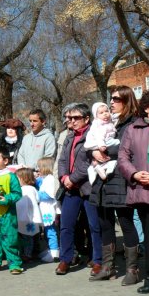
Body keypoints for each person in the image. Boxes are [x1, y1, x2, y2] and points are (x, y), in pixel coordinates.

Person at [89, 86, 140, 284]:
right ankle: (108, 266)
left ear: (127, 100)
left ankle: (132, 269)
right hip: (102, 181)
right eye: (111, 98)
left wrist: (103, 152)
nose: (111, 102)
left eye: (116, 99)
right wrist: (92, 151)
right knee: (104, 223)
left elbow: (128, 149)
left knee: (126, 223)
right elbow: (92, 142)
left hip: (120, 178)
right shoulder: (106, 121)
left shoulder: (133, 123)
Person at [118, 90, 149, 294]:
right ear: (146, 108)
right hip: (145, 190)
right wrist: (135, 175)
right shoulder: (133, 129)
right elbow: (123, 158)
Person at [55, 103, 102, 277]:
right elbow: (61, 160)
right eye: (70, 118)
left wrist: (72, 178)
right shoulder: (69, 137)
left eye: (76, 118)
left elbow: (89, 163)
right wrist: (63, 177)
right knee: (66, 225)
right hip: (70, 189)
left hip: (88, 187)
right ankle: (65, 259)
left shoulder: (93, 135)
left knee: (94, 226)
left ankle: (98, 260)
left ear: (86, 119)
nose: (72, 121)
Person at [84, 102, 120, 183]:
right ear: (96, 116)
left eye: (106, 111)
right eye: (101, 113)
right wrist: (101, 145)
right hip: (98, 143)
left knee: (105, 160)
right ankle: (96, 168)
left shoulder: (107, 121)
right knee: (117, 142)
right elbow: (99, 136)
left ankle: (99, 168)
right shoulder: (98, 124)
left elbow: (114, 117)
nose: (105, 114)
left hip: (104, 142)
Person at [36, 157, 60, 263]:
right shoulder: (45, 178)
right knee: (47, 231)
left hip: (49, 209)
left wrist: (34, 194)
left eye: (39, 167)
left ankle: (54, 253)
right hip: (45, 208)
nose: (38, 169)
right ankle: (51, 250)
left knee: (51, 231)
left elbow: (48, 194)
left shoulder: (50, 179)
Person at [15, 167, 42, 262]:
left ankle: (27, 254)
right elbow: (38, 200)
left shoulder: (24, 189)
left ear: (23, 178)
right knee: (31, 236)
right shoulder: (33, 189)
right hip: (31, 217)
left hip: (25, 217)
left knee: (26, 237)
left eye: (17, 178)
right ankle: (30, 253)